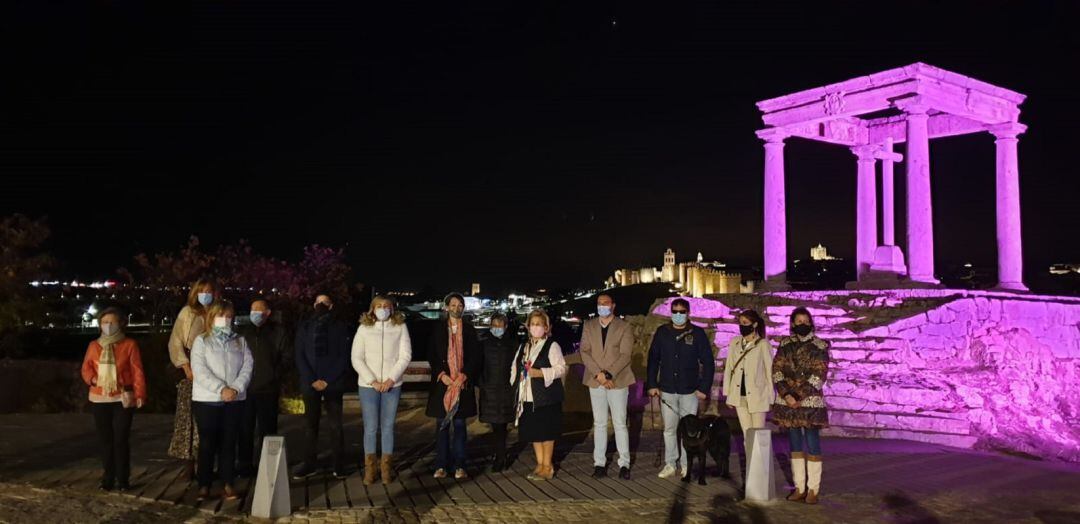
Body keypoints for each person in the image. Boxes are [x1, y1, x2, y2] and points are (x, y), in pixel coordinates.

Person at [190, 300, 253, 501]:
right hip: (207, 400)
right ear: (211, 318)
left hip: (234, 400)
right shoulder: (202, 341)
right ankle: (204, 484)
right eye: (221, 316)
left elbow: (247, 367)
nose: (225, 320)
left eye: (228, 316)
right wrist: (221, 389)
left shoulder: (240, 341)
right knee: (207, 443)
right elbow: (199, 370)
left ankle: (228, 482)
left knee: (229, 442)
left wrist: (235, 388)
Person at [646, 298, 715, 480]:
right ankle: (670, 463)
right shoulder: (662, 333)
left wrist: (703, 388)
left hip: (689, 390)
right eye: (675, 311)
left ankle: (686, 465)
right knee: (669, 429)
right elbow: (653, 359)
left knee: (688, 431)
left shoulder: (697, 334)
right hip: (667, 388)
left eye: (681, 311)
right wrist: (652, 384)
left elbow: (708, 362)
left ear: (688, 313)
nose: (678, 315)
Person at [81, 307, 147, 492]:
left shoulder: (129, 344)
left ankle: (123, 479)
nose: (108, 326)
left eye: (112, 322)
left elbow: (137, 371)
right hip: (99, 397)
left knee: (121, 438)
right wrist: (93, 379)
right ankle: (108, 477)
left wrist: (140, 394)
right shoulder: (94, 345)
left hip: (122, 397)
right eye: (104, 322)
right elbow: (86, 368)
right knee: (105, 440)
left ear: (121, 324)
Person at [351, 296, 412, 485]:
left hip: (392, 385)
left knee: (388, 427)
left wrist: (391, 378)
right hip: (368, 386)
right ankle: (370, 469)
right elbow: (357, 358)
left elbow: (405, 355)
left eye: (386, 306)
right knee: (370, 428)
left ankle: (386, 468)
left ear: (392, 309)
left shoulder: (400, 327)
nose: (383, 309)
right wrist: (373, 381)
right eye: (379, 306)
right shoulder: (364, 329)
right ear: (372, 309)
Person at [772, 307, 830, 505]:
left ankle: (813, 489)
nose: (802, 324)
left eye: (806, 320)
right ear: (793, 323)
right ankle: (799, 487)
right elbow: (777, 370)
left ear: (811, 322)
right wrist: (786, 394)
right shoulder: (785, 345)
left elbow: (819, 375)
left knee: (812, 443)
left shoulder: (820, 346)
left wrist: (797, 395)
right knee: (795, 445)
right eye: (799, 321)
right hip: (788, 402)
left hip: (810, 401)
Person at [293, 294, 352, 479]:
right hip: (310, 382)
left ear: (331, 305)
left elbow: (344, 356)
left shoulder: (340, 327)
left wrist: (327, 380)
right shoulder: (305, 326)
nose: (321, 305)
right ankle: (309, 464)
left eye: (325, 302)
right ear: (313, 305)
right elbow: (299, 354)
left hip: (332, 383)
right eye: (318, 302)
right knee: (310, 425)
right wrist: (312, 379)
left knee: (335, 426)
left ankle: (338, 465)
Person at [167, 278, 219, 479]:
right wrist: (185, 366)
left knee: (208, 418)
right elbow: (175, 342)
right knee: (189, 417)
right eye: (202, 290)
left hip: (213, 366)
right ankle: (189, 464)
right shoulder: (187, 313)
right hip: (191, 367)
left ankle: (206, 464)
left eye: (210, 291)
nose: (206, 294)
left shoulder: (217, 313)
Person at [579, 293, 634, 480]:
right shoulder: (589, 325)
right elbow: (584, 352)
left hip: (618, 381)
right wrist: (599, 375)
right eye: (599, 303)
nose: (602, 306)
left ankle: (624, 463)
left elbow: (626, 355)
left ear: (613, 305)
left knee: (619, 423)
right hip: (595, 381)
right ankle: (599, 463)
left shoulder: (624, 326)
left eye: (606, 303)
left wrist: (608, 374)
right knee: (600, 423)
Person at [425, 293, 480, 480]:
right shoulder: (438, 329)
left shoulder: (470, 330)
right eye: (453, 305)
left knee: (460, 426)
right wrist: (442, 375)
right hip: (444, 384)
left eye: (460, 305)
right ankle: (440, 464)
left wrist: (465, 375)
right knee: (441, 426)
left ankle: (460, 465)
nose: (456, 308)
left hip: (462, 384)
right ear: (447, 307)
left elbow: (475, 356)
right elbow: (431, 354)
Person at [236, 298, 290, 477]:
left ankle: (269, 465)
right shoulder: (243, 332)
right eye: (252, 309)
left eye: (259, 310)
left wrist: (275, 376)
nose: (255, 313)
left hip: (268, 389)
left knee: (268, 430)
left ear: (267, 313)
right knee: (244, 429)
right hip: (246, 389)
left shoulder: (278, 332)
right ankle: (244, 466)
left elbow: (286, 357)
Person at [511, 309, 566, 481]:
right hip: (527, 396)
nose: (535, 327)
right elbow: (514, 367)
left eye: (539, 324)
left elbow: (561, 368)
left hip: (546, 397)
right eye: (532, 324)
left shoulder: (552, 345)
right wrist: (517, 378)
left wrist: (540, 373)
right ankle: (540, 464)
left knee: (546, 432)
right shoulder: (524, 346)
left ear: (546, 327)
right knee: (534, 432)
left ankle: (548, 466)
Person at [722, 309, 775, 458]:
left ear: (755, 324)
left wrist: (771, 397)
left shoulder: (763, 344)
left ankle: (760, 473)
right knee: (747, 436)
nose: (742, 326)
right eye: (740, 323)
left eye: (745, 323)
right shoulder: (735, 342)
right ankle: (751, 474)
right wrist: (728, 394)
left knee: (758, 435)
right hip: (739, 396)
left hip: (758, 395)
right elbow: (729, 368)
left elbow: (769, 372)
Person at [478, 313, 518, 472]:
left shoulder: (513, 344)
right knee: (495, 426)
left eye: (500, 326)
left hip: (506, 389)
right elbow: (479, 366)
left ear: (505, 327)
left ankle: (500, 457)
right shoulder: (484, 344)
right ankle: (500, 456)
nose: (497, 329)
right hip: (490, 389)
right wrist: (482, 384)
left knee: (502, 425)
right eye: (494, 326)